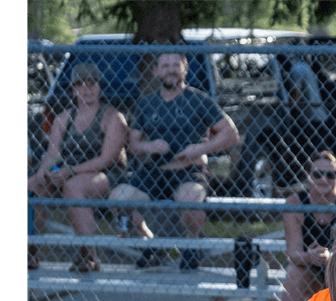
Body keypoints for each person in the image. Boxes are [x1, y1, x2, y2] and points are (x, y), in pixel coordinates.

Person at [108, 52, 239, 269]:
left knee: (191, 197)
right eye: (164, 65)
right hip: (155, 170)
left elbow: (231, 134)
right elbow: (133, 144)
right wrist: (150, 146)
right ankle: (151, 243)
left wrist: (200, 148)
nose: (170, 70)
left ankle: (191, 244)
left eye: (175, 65)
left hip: (189, 171)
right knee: (118, 197)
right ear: (156, 71)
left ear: (184, 68)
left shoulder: (199, 100)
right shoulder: (148, 103)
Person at [27, 63, 128, 272]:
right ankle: (30, 251)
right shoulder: (64, 118)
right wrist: (43, 172)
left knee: (73, 187)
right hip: (67, 172)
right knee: (33, 186)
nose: (87, 89)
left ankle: (88, 255)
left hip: (105, 175)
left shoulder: (112, 117)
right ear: (73, 89)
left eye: (92, 84)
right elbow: (53, 154)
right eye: (81, 84)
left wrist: (70, 171)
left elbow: (106, 159)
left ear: (100, 87)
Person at [281, 151, 336, 301]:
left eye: (330, 174)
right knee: (294, 275)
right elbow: (293, 253)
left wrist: (331, 257)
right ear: (308, 176)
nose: (323, 179)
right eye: (317, 174)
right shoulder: (295, 203)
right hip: (309, 268)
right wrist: (310, 256)